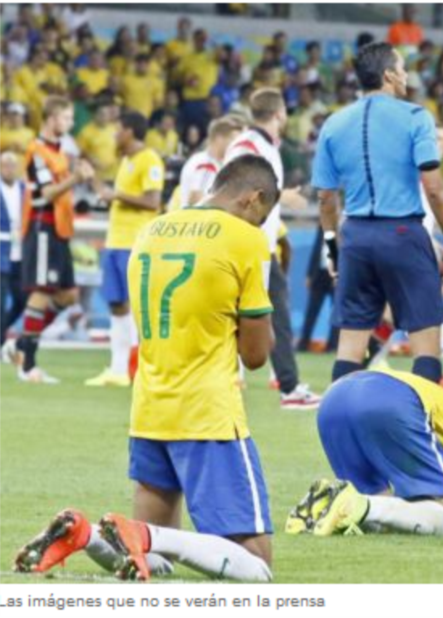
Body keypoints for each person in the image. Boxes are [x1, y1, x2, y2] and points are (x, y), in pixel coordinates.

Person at [14, 155, 280, 582]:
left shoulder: (151, 230)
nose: (260, 224)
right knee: (258, 568)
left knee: (153, 564)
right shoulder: (244, 239)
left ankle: (86, 537)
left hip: (150, 409)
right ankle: (136, 532)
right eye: (262, 216)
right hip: (207, 412)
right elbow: (255, 356)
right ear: (254, 198)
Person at [313, 42, 443, 387]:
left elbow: (325, 198)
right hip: (403, 234)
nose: (408, 74)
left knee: (350, 348)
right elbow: (435, 189)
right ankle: (422, 430)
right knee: (425, 345)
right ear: (390, 75)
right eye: (403, 67)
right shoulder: (415, 117)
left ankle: (338, 430)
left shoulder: (334, 124)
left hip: (356, 237)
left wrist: (333, 247)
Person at [287, 369, 443, 536]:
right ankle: (354, 505)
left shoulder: (442, 461)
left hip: (334, 400)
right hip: (390, 397)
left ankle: (315, 513)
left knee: (378, 520)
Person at [226, 88, 321, 410]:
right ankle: (290, 387)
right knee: (274, 314)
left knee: (265, 314)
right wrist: (283, 196)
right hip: (249, 245)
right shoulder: (250, 145)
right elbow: (238, 189)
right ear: (280, 114)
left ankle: (286, 384)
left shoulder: (259, 145)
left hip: (253, 242)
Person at [12, 96, 94, 383]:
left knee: (68, 295)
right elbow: (44, 194)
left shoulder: (57, 152)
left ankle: (21, 342)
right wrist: (76, 179)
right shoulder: (37, 150)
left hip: (59, 229)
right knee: (42, 291)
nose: (70, 124)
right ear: (51, 118)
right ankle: (27, 365)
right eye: (66, 118)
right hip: (41, 227)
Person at [86, 111, 165, 388]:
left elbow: (153, 201)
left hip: (136, 244)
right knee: (117, 305)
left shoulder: (149, 159)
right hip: (115, 242)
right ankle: (118, 370)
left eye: (118, 130)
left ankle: (138, 368)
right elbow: (115, 201)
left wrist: (117, 194)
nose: (115, 135)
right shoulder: (127, 162)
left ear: (130, 131)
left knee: (137, 308)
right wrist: (94, 181)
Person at [177, 116, 244, 209]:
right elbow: (196, 199)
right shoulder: (206, 165)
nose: (236, 145)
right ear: (219, 139)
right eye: (233, 140)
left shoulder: (213, 162)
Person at [0, 152, 28, 340]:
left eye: (13, 165)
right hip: (1, 249)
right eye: (5, 165)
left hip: (21, 250)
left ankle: (1, 333)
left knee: (22, 299)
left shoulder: (25, 189)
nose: (9, 169)